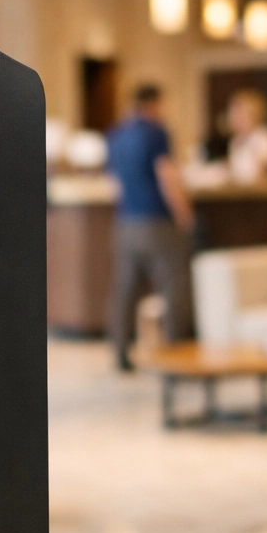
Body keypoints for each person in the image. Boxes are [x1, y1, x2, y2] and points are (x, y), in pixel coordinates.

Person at [105, 83, 195, 371]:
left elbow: (115, 183)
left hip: (126, 223)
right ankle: (176, 352)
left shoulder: (115, 135)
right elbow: (166, 174)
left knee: (126, 291)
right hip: (156, 221)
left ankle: (120, 352)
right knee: (173, 287)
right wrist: (184, 214)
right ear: (154, 103)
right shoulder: (156, 132)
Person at [224, 89, 267, 183]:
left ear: (253, 114)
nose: (231, 117)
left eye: (237, 112)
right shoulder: (235, 141)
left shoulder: (264, 136)